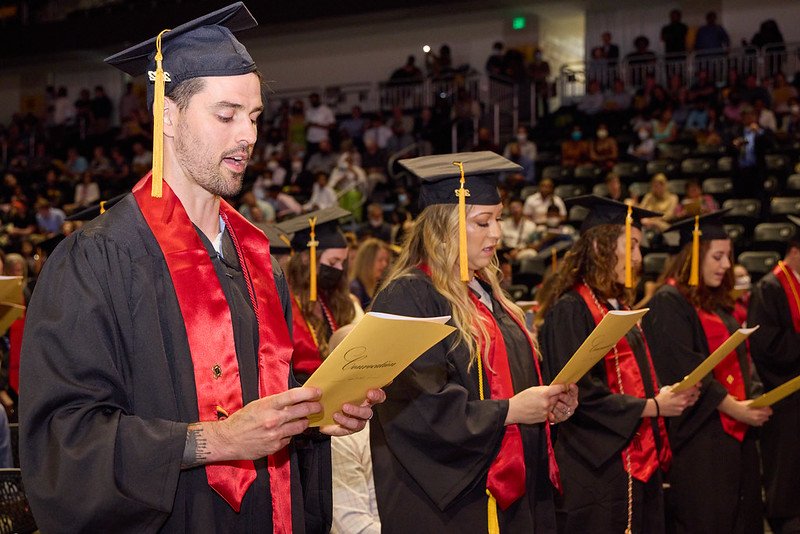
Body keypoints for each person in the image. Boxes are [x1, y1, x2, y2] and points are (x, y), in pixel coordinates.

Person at [19, 5, 383, 532]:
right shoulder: (97, 260)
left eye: (254, 117)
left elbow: (272, 402)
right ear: (167, 115)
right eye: (226, 114)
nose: (248, 137)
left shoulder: (258, 260)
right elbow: (64, 440)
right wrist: (217, 441)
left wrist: (318, 415)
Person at [369, 151, 578, 533]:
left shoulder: (487, 294)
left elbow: (512, 381)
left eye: (498, 219)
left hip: (513, 492)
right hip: (451, 505)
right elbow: (418, 407)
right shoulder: (408, 297)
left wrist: (547, 404)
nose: (496, 233)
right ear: (444, 226)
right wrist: (512, 411)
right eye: (483, 221)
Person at [537, 195, 699, 533]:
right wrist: (652, 406)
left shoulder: (617, 305)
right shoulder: (571, 308)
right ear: (599, 246)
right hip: (596, 468)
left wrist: (659, 397)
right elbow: (578, 394)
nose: (639, 258)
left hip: (637, 461)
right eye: (633, 245)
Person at [642, 211, 772, 534]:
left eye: (728, 256)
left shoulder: (715, 303)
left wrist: (756, 397)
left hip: (735, 440)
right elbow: (684, 370)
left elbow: (744, 360)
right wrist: (736, 409)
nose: (726, 265)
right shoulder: (668, 303)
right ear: (692, 257)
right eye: (717, 256)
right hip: (699, 442)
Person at [747, 223, 800, 534]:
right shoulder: (770, 287)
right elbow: (765, 345)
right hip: (783, 395)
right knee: (786, 471)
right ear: (794, 252)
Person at [279, 207, 362, 382]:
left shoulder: (329, 300)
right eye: (333, 261)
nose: (339, 269)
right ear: (307, 258)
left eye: (342, 262)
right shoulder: (282, 301)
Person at [349, 238, 391, 310]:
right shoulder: (355, 288)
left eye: (386, 260)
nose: (385, 264)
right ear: (367, 262)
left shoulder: (380, 286)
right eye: (380, 260)